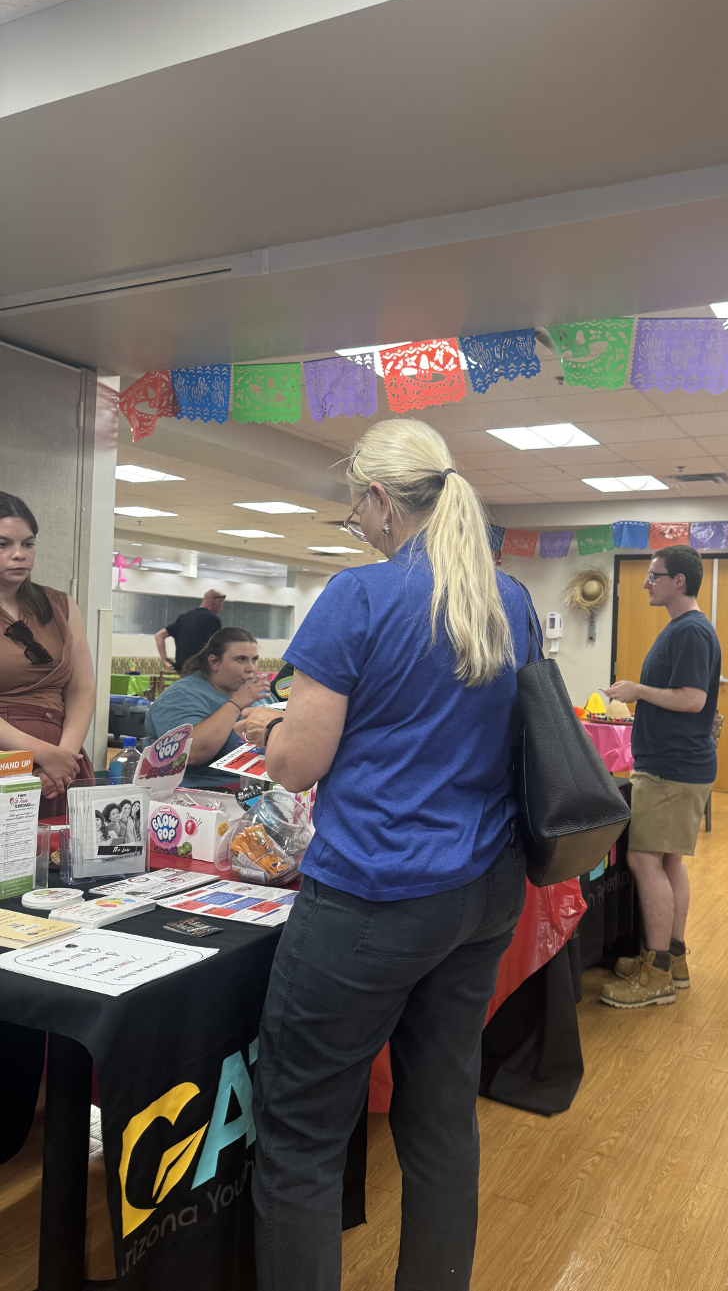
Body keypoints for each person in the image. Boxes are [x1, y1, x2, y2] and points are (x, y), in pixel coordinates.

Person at [236, 417, 538, 1291]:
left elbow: (297, 762)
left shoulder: (357, 597)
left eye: (353, 508)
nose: (355, 524)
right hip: (482, 890)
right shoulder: (505, 596)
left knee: (299, 1138)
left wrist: (272, 726)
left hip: (375, 894)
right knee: (442, 1117)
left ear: (377, 498)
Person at [600, 544, 721, 1009]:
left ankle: (657, 977)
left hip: (672, 769)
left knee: (645, 862)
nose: (647, 583)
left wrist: (637, 691)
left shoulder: (690, 632)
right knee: (669, 862)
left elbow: (692, 699)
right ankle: (672, 957)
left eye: (655, 576)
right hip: (677, 765)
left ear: (680, 583)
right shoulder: (683, 628)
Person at [0, 492, 96, 817]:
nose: (19, 555)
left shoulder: (61, 605)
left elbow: (81, 688)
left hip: (62, 764)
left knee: (60, 861)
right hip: (8, 757)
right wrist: (43, 754)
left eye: (28, 544)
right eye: (3, 544)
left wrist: (64, 758)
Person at [143, 627, 270, 787]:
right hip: (197, 794)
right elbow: (191, 753)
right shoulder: (182, 695)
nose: (251, 668)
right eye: (241, 660)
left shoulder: (260, 694)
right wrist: (236, 704)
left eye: (254, 659)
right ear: (214, 662)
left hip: (257, 789)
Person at [154, 589, 226, 672]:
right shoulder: (212, 619)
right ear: (216, 601)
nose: (221, 608)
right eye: (222, 604)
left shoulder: (184, 617)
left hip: (183, 670)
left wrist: (164, 660)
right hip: (200, 670)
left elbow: (159, 635)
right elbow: (217, 647)